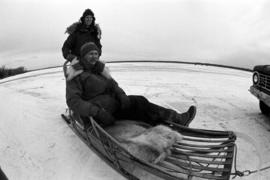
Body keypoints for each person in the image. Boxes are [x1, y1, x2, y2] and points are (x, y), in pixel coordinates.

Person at [66, 42, 197, 127]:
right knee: (139, 107)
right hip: (99, 115)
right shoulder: (76, 75)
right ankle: (171, 121)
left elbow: (113, 85)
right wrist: (97, 112)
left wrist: (121, 95)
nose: (94, 57)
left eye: (96, 53)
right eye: (90, 54)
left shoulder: (100, 70)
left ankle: (176, 119)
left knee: (139, 101)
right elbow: (73, 101)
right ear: (83, 56)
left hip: (113, 106)